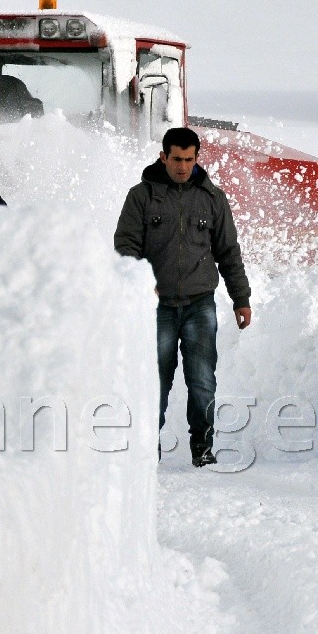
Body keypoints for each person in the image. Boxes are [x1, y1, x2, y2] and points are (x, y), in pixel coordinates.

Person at [113, 127, 252, 467]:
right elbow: (125, 243)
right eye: (177, 159)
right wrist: (142, 280)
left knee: (203, 380)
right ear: (163, 156)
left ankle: (202, 449)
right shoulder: (141, 196)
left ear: (196, 158)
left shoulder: (212, 198)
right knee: (156, 379)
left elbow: (228, 251)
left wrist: (241, 298)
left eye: (190, 160)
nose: (183, 166)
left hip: (199, 304)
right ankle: (149, 450)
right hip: (156, 307)